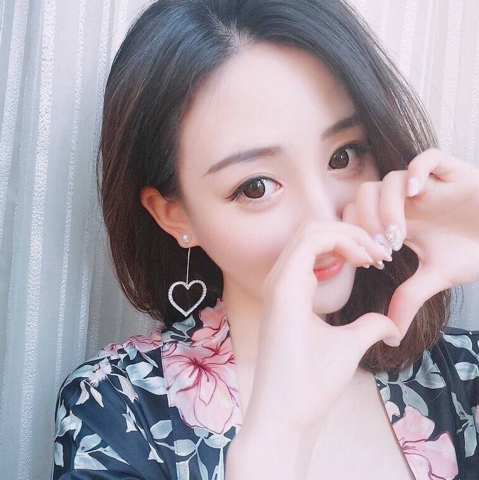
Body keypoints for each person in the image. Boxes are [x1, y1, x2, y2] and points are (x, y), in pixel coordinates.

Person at [52, 0, 479, 479]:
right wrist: (279, 441)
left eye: (343, 156)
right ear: (175, 214)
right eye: (256, 187)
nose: (323, 219)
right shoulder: (118, 410)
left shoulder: (461, 373)